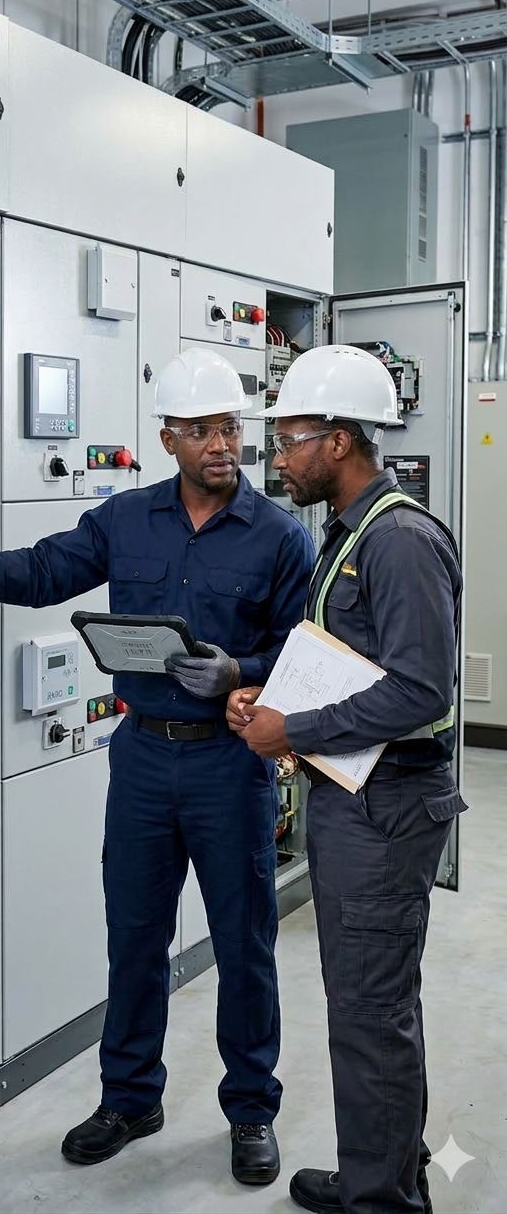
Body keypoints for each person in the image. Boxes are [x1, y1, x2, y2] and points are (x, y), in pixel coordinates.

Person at [0, 346, 314, 1183]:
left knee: (244, 944)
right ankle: (130, 1098)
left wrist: (240, 669)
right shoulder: (125, 519)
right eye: (201, 430)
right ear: (167, 438)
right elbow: (46, 571)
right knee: (134, 935)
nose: (221, 444)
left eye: (230, 428)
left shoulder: (279, 537)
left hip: (229, 765)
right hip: (142, 758)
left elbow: (300, 653)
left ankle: (251, 1109)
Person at [226, 344, 467, 1214]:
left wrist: (295, 729)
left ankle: (382, 1202)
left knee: (371, 1014)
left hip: (388, 807)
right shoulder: (349, 533)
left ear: (338, 440)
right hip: (355, 796)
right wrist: (269, 701)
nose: (278, 460)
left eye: (289, 441)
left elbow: (419, 690)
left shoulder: (397, 540)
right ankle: (382, 1176)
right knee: (368, 1008)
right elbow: (347, 662)